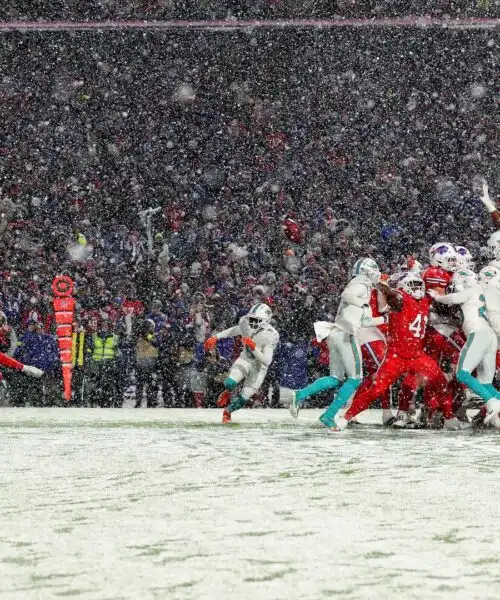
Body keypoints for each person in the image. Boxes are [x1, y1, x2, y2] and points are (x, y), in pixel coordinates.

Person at [338, 272, 457, 430]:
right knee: (377, 389)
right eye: (412, 285)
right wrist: (385, 287)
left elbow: (441, 300)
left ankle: (449, 419)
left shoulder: (426, 298)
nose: (417, 288)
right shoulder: (400, 297)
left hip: (417, 355)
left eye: (418, 284)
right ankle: (346, 417)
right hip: (397, 356)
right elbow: (393, 299)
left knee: (440, 382)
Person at [280, 258, 384, 428]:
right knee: (355, 379)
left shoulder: (363, 286)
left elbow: (364, 320)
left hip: (336, 333)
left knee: (335, 378)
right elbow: (347, 295)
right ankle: (329, 415)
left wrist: (385, 318)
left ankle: (298, 395)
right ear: (367, 271)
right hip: (346, 334)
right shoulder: (362, 283)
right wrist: (363, 303)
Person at [428, 269, 500, 423]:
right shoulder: (482, 294)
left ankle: (492, 402)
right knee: (485, 382)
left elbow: (453, 298)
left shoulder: (471, 290)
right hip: (490, 337)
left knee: (462, 373)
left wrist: (438, 297)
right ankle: (495, 403)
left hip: (478, 334)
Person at [204, 303, 279, 423]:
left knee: (244, 399)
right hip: (245, 359)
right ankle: (228, 392)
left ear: (266, 321)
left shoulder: (271, 335)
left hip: (259, 368)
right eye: (250, 318)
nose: (251, 322)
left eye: (256, 320)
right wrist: (216, 337)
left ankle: (228, 411)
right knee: (230, 382)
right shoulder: (245, 323)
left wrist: (254, 348)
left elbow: (267, 361)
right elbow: (235, 330)